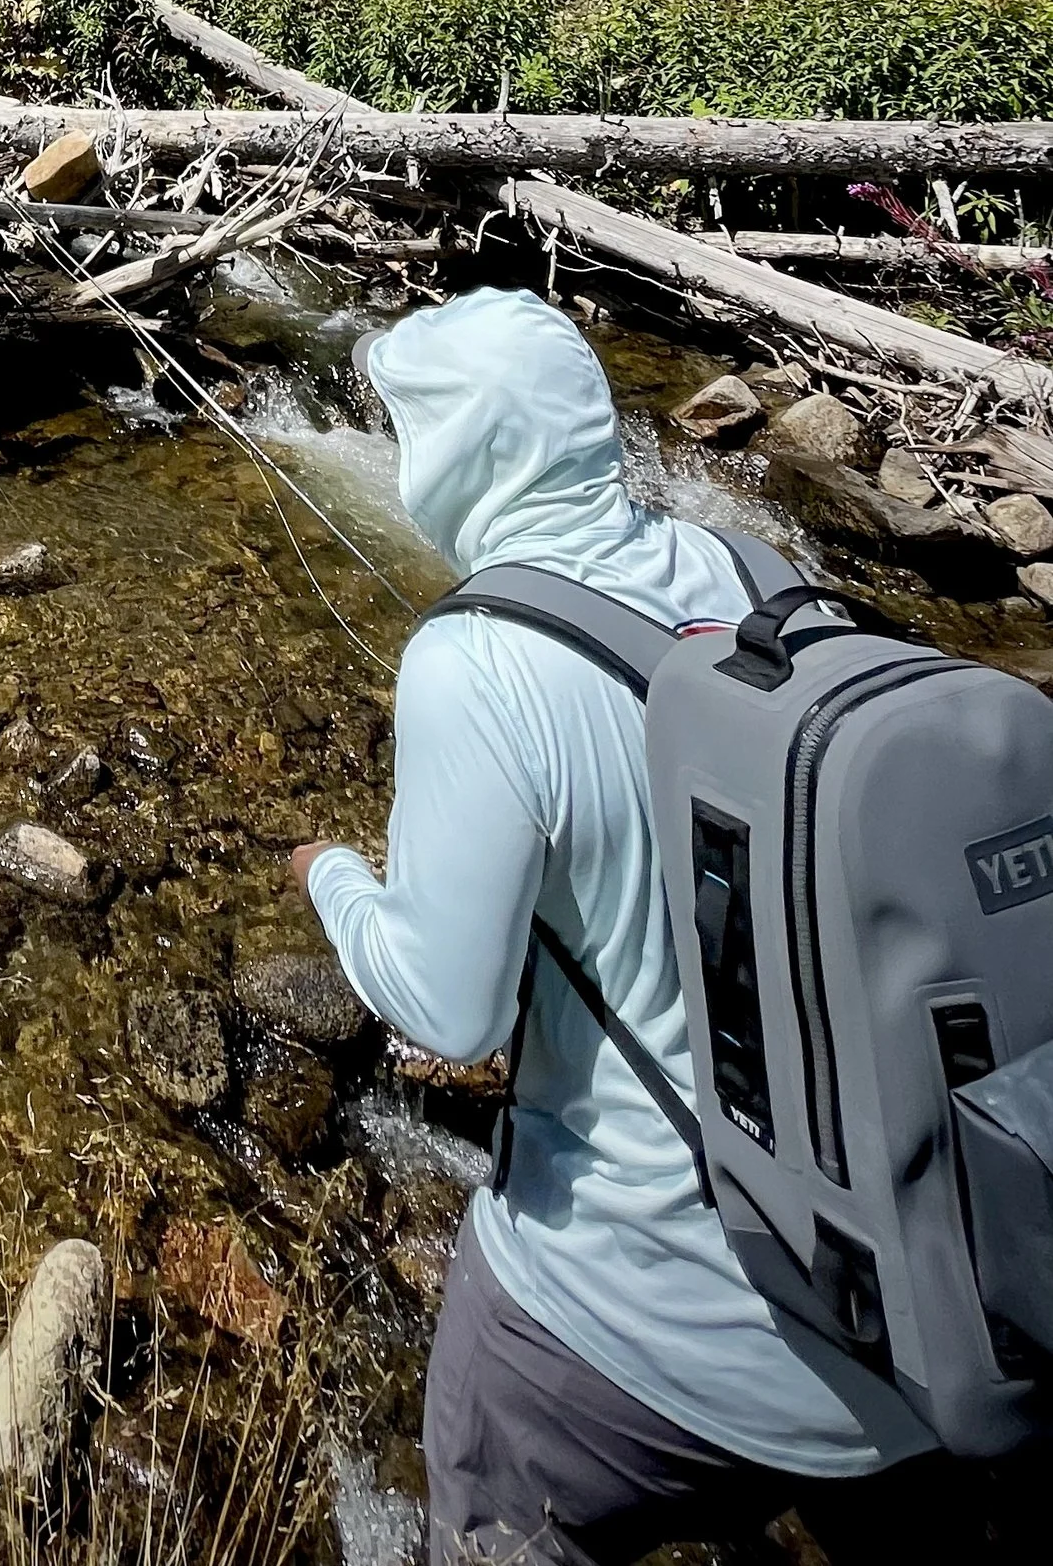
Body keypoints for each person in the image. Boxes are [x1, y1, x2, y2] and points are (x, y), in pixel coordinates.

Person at [288, 286, 944, 1565]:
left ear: (457, 451)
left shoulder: (472, 659)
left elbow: (447, 1011)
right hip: (905, 1323)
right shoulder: (763, 578)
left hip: (618, 1328)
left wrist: (330, 879)